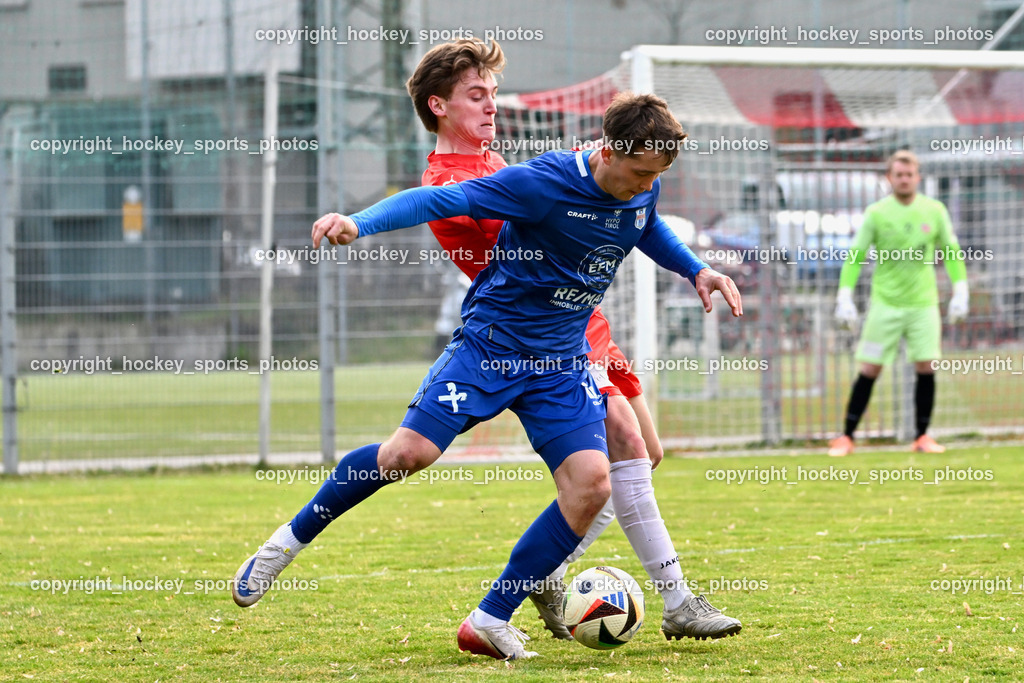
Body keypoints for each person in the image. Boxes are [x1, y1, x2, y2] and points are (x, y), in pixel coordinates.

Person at [232, 90, 742, 661]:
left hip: (561, 361)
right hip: (491, 346)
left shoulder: (642, 185)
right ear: (607, 150)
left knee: (592, 482)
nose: (647, 184)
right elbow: (432, 200)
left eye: (657, 174)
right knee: (407, 456)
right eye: (640, 172)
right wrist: (357, 222)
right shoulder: (541, 183)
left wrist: (696, 269)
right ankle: (284, 544)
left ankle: (489, 619)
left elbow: (645, 225)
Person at [407, 38, 741, 642]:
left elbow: (629, 216)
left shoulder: (495, 162)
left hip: (584, 321)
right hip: (547, 333)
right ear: (438, 106)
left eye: (493, 94)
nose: (492, 108)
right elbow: (519, 222)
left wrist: (693, 266)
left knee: (645, 454)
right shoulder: (452, 179)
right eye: (476, 96)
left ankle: (552, 568)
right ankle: (677, 601)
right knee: (623, 450)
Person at [829, 149, 968, 457]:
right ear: (889, 178)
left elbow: (952, 251)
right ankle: (847, 436)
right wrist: (844, 296)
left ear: (918, 177)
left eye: (909, 174)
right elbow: (855, 256)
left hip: (923, 305)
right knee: (869, 368)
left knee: (926, 366)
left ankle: (922, 436)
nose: (904, 179)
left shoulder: (935, 211)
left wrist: (961, 290)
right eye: (898, 175)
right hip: (885, 304)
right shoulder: (877, 213)